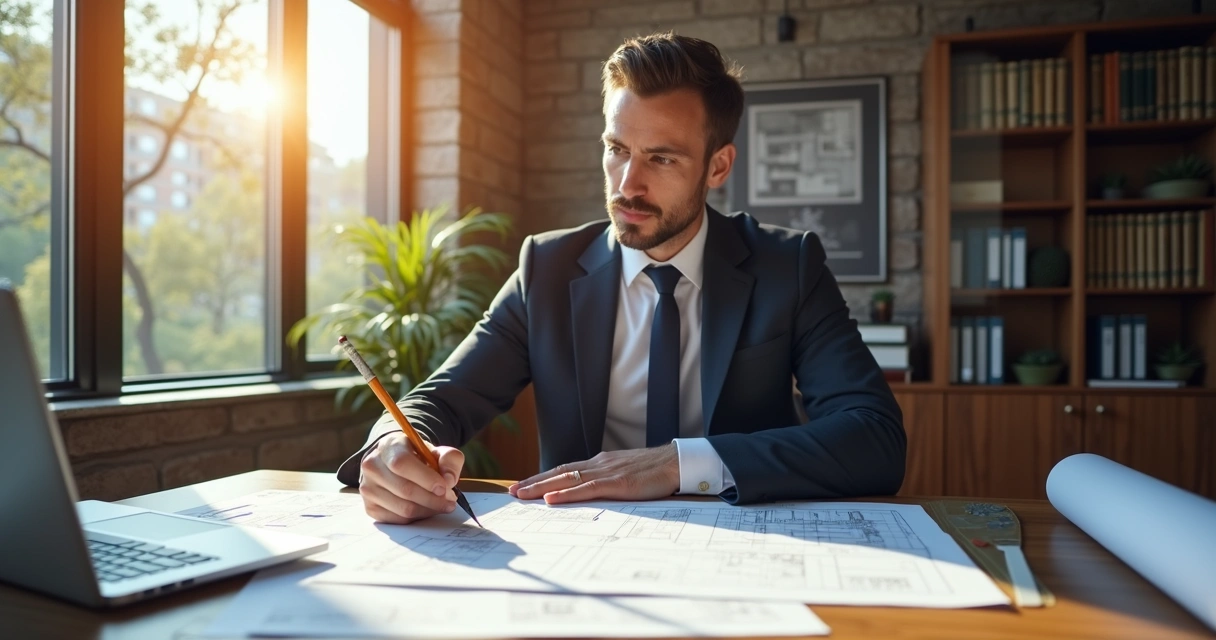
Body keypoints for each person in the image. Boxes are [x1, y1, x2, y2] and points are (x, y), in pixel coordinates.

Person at [337, 32, 906, 524]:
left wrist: (679, 463)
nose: (627, 184)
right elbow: (443, 398)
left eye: (662, 158)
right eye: (616, 149)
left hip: (746, 538)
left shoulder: (788, 266)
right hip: (582, 546)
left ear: (717, 166)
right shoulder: (546, 268)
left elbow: (874, 436)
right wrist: (393, 444)